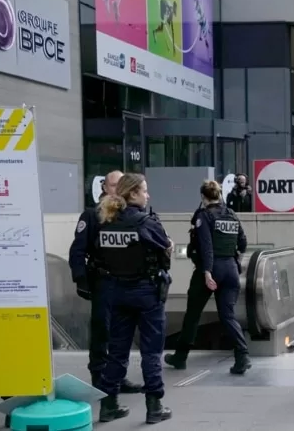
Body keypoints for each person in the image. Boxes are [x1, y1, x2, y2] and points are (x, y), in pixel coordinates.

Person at [93, 173, 173, 424]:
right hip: (147, 293)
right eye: (145, 191)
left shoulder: (106, 221)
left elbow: (99, 256)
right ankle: (154, 406)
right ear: (133, 193)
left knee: (117, 351)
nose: (147, 195)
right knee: (151, 351)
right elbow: (165, 248)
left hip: (117, 292)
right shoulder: (145, 222)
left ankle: (109, 405)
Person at [164, 181, 251, 375]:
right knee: (228, 315)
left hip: (210, 269)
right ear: (219, 195)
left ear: (203, 198)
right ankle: (242, 355)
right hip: (230, 269)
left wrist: (207, 272)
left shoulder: (204, 216)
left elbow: (206, 246)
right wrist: (233, 258)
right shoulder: (231, 215)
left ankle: (180, 357)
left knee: (193, 314)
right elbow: (243, 243)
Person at [68, 170, 143, 393]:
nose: (117, 190)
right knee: (103, 330)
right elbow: (77, 250)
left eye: (121, 186)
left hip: (126, 282)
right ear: (104, 188)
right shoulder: (92, 215)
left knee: (122, 332)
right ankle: (99, 376)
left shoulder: (130, 215)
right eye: (113, 185)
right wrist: (80, 279)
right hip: (103, 282)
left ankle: (117, 376)